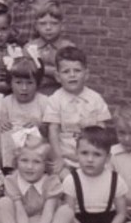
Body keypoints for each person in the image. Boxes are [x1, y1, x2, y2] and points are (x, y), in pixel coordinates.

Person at [63, 127, 131, 223]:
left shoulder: (116, 179)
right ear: (77, 154)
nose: (90, 159)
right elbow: (69, 216)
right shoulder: (71, 180)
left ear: (107, 158)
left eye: (97, 155)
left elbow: (121, 213)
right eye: (84, 153)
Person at [44, 46, 111, 176]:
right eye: (66, 71)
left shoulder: (95, 98)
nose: (72, 75)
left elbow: (102, 130)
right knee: (63, 178)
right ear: (57, 76)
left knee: (104, 175)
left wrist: (97, 155)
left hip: (90, 156)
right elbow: (53, 131)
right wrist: (58, 157)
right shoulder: (55, 99)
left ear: (86, 74)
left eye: (77, 70)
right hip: (66, 155)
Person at [0, 55, 49, 174]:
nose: (24, 88)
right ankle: (9, 170)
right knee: (5, 134)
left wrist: (39, 124)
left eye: (30, 83)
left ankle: (36, 169)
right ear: (10, 83)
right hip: (13, 147)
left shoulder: (44, 101)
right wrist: (3, 124)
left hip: (35, 147)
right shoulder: (6, 101)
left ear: (38, 84)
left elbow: (49, 131)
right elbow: (2, 123)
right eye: (18, 82)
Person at [25, 0, 75, 95]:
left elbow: (69, 75)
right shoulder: (29, 47)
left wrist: (41, 69)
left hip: (61, 95)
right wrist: (54, 71)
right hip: (34, 95)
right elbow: (25, 73)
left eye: (54, 23)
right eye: (43, 24)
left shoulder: (68, 48)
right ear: (36, 26)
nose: (48, 28)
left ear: (62, 25)